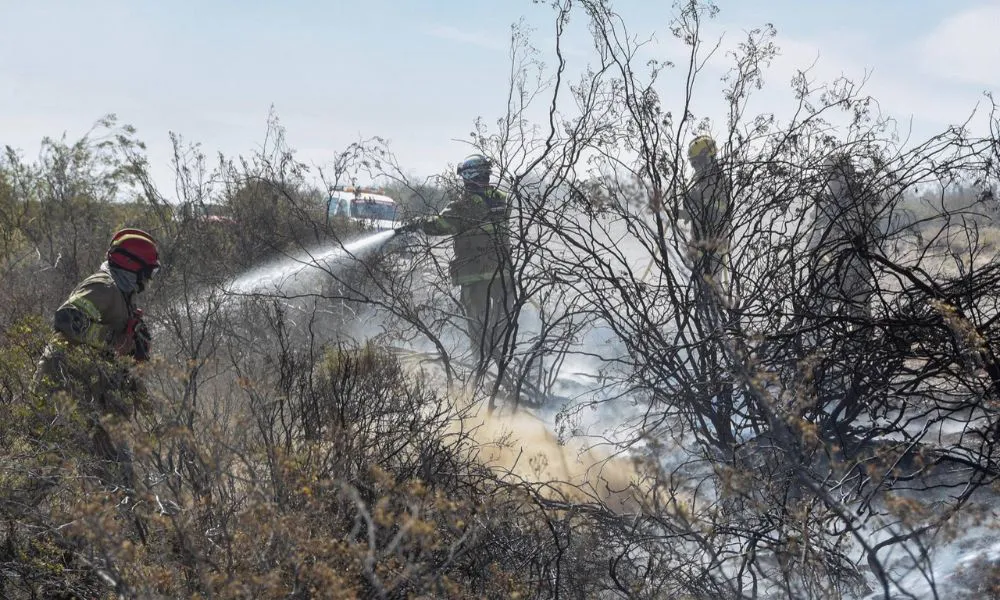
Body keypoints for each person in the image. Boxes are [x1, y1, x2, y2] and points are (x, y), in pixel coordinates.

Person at [32, 228, 159, 490]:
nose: (148, 280)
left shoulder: (122, 295)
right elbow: (66, 319)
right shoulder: (103, 286)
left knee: (113, 473)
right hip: (63, 390)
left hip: (88, 395)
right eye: (149, 272)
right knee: (44, 470)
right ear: (132, 266)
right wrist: (113, 341)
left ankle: (123, 522)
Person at [397, 154, 515, 379]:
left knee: (477, 325)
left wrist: (418, 224)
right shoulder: (502, 199)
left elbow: (439, 225)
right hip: (503, 273)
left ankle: (483, 373)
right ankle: (506, 368)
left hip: (475, 276)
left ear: (468, 177)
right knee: (503, 322)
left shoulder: (464, 204)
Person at [806, 154, 879, 319]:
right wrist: (819, 260)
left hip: (856, 268)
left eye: (836, 174)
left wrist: (865, 260)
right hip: (829, 268)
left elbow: (872, 235)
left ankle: (858, 343)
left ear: (847, 174)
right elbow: (812, 235)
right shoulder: (822, 203)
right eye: (828, 174)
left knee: (860, 319)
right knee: (818, 308)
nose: (831, 179)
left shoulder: (860, 200)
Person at [680, 134, 733, 297]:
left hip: (713, 244)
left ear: (709, 159)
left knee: (709, 291)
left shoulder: (717, 181)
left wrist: (691, 209)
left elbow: (715, 213)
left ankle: (715, 319)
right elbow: (694, 207)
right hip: (699, 242)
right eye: (693, 163)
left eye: (698, 162)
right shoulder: (699, 180)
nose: (696, 167)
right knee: (701, 290)